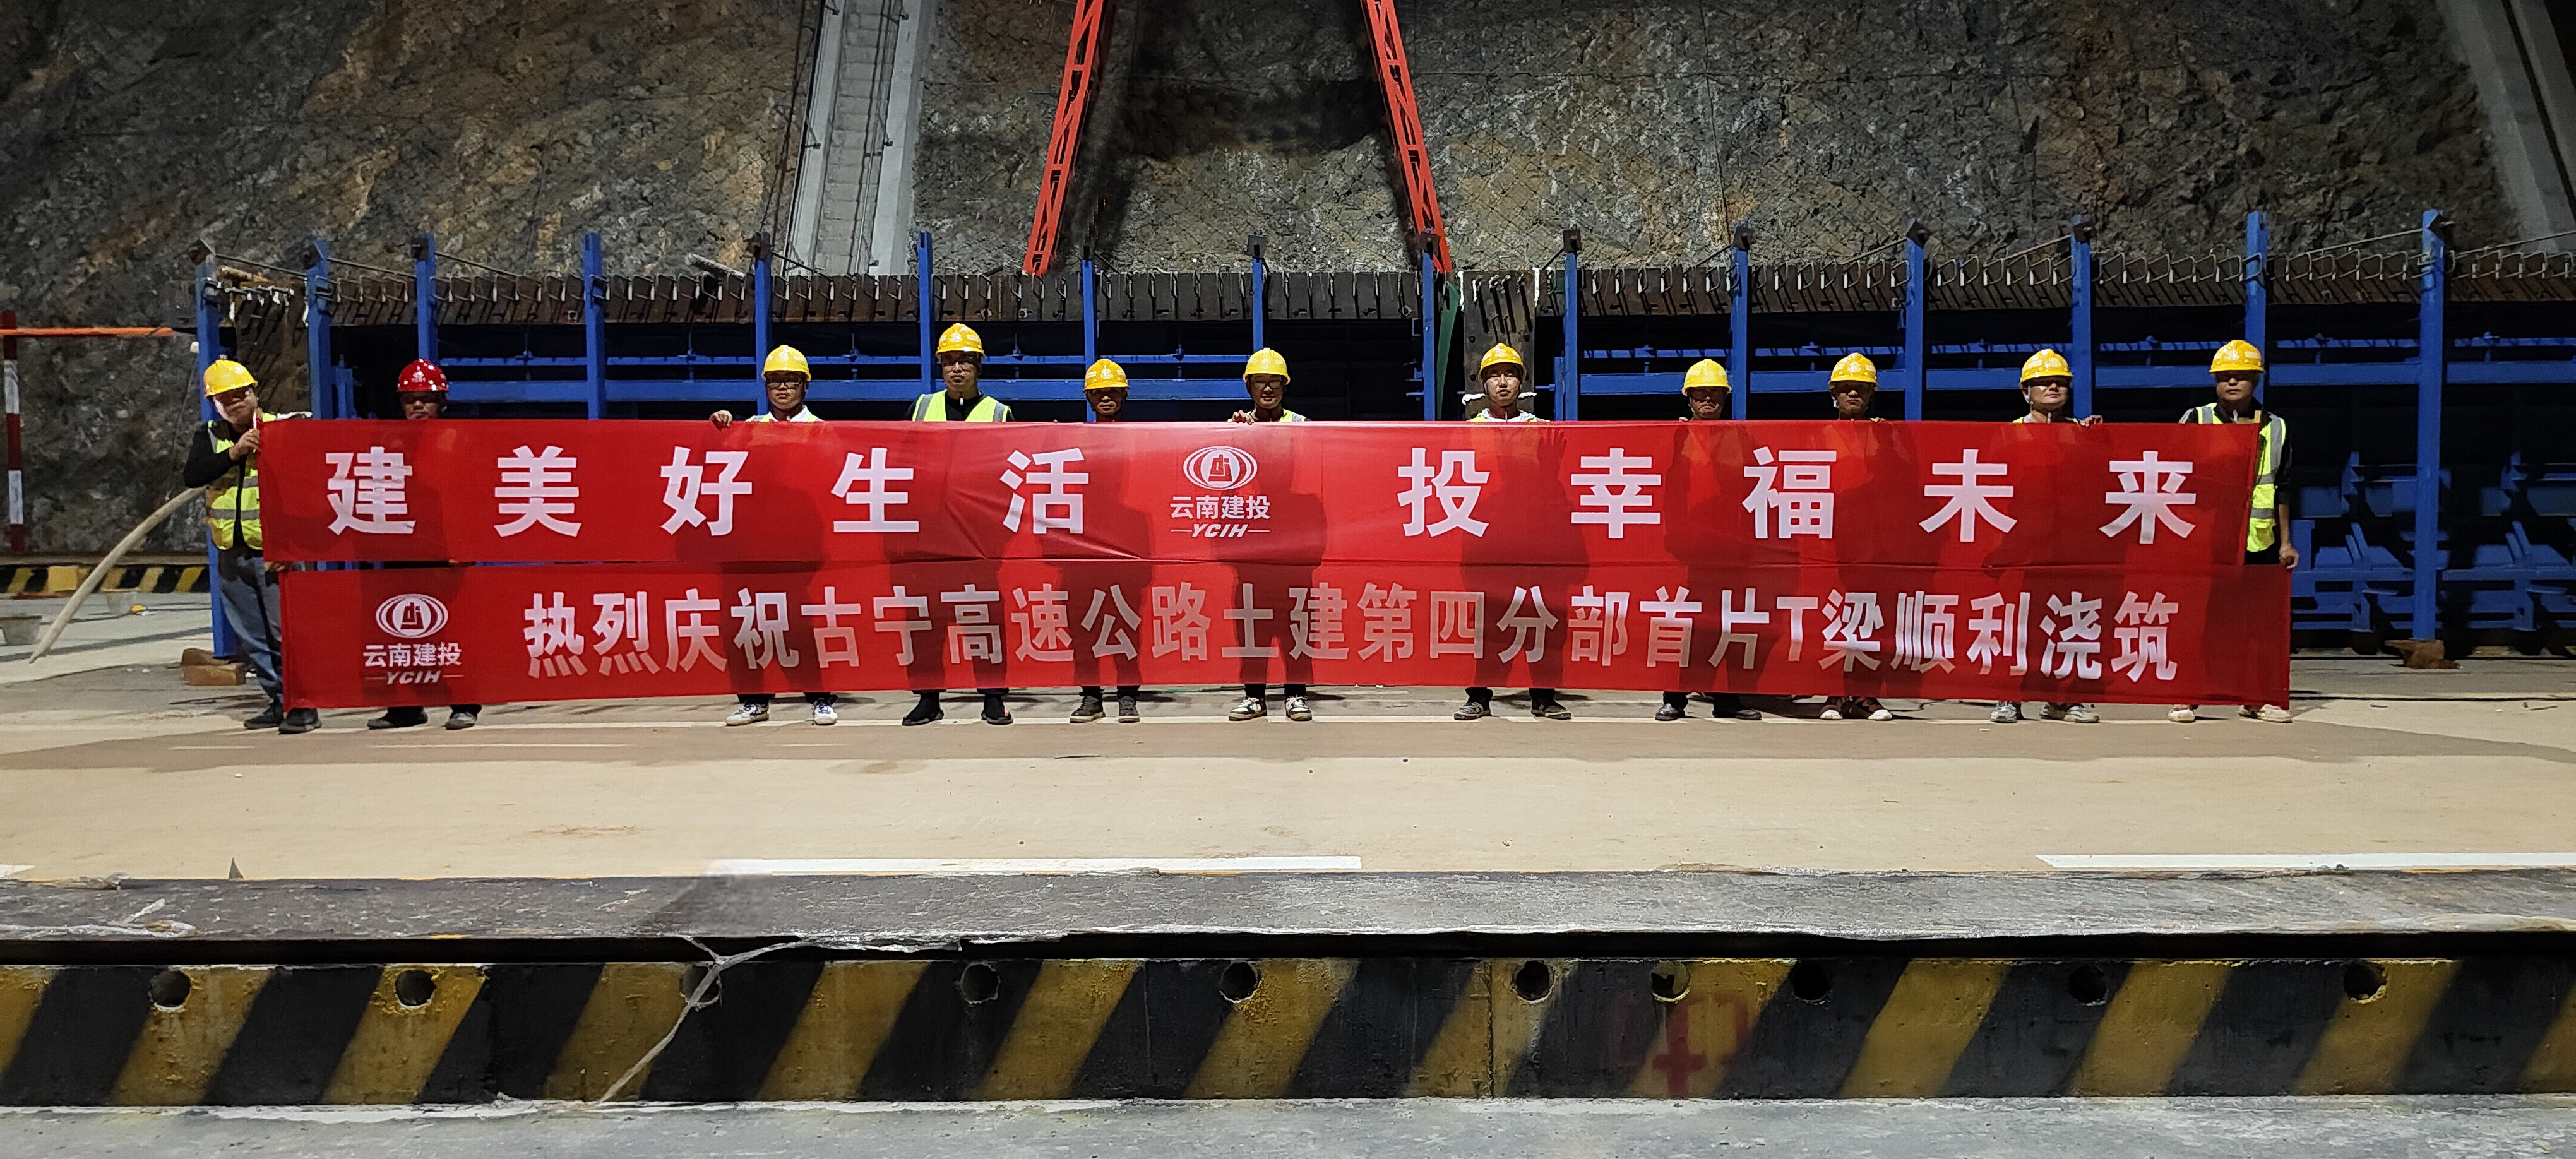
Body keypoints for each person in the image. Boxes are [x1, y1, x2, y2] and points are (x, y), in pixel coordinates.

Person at [708, 345, 840, 725]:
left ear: (805, 386)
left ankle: (819, 698)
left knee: (799, 623)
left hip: (800, 547)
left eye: (791, 381)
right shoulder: (749, 429)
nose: (783, 388)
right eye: (775, 381)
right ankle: (754, 700)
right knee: (745, 622)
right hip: (753, 545)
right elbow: (717, 463)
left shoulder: (823, 431)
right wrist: (720, 425)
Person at [182, 359, 316, 734]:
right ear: (215, 404)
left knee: (286, 632)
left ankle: (304, 705)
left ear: (255, 393)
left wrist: (289, 549)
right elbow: (193, 475)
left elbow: (304, 493)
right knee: (253, 635)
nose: (236, 402)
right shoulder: (210, 436)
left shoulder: (281, 431)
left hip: (274, 552)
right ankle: (279, 700)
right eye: (226, 398)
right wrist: (234, 453)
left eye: (241, 394)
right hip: (231, 549)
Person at [2174, 338, 2296, 725]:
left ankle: (2255, 698)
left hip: (2259, 541)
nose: (2232, 382)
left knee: (2257, 624)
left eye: (2241, 376)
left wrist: (2287, 542)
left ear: (2256, 381)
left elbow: (2283, 486)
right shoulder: (2197, 419)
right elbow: (2174, 474)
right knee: (2200, 619)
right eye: (2225, 376)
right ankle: (2187, 696)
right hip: (2207, 540)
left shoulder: (2276, 427)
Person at [366, 359, 484, 731]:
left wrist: (464, 547)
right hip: (402, 547)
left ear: (441, 403)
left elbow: (472, 498)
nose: (417, 405)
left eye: (426, 398)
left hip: (445, 550)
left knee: (452, 629)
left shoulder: (458, 440)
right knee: (399, 629)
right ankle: (405, 707)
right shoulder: (388, 441)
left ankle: (464, 704)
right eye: (410, 399)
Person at [908, 324, 1014, 725]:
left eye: (965, 361)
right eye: (950, 361)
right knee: (928, 618)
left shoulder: (1000, 413)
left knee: (984, 617)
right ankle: (928, 698)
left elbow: (1009, 474)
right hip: (931, 534)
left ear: (978, 367)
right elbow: (901, 464)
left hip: (978, 537)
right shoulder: (920, 408)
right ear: (940, 366)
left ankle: (993, 696)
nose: (957, 368)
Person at [1455, 343, 1568, 721]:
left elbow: (1557, 492)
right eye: (1494, 375)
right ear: (1483, 383)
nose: (1502, 382)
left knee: (1542, 618)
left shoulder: (1545, 431)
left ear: (1522, 382)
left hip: (1534, 543)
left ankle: (1543, 696)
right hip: (1487, 543)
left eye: (1510, 375)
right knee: (1488, 622)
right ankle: (1479, 696)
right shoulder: (1467, 432)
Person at [1991, 348, 2102, 726]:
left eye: (2060, 382)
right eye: (2043, 382)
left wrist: (2100, 440)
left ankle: (2062, 700)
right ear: (2026, 392)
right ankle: (2010, 697)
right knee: (2020, 625)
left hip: (2069, 546)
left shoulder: (2082, 433)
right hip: (2023, 547)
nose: (2053, 387)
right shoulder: (2009, 435)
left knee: (2069, 621)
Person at [1661, 358, 1761, 723]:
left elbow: (1752, 490)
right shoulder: (1678, 436)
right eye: (1701, 393)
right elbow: (1670, 490)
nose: (1708, 399)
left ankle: (1728, 699)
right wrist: (1674, 536)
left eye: (1715, 393)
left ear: (1725, 397)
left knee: (1730, 622)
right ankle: (1675, 698)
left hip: (1732, 547)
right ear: (1688, 397)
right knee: (1690, 624)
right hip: (1694, 548)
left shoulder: (1740, 437)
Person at [1226, 347, 1311, 721]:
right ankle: (1254, 696)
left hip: (1293, 542)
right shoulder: (1237, 427)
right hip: (1253, 538)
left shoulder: (1303, 426)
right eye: (1259, 382)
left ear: (1284, 386)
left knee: (1296, 623)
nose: (1267, 389)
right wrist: (1236, 434)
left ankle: (1296, 694)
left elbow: (1320, 468)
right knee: (1253, 623)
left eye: (1274, 382)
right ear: (1248, 387)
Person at [1818, 353, 1894, 722]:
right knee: (1832, 615)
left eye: (1860, 388)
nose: (1853, 394)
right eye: (1846, 388)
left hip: (1872, 544)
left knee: (1868, 616)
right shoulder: (1818, 437)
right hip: (1830, 543)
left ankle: (1864, 695)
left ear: (1871, 394)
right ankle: (1834, 693)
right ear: (1833, 393)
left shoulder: (1886, 436)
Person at [1074, 357, 1142, 724]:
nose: (1106, 397)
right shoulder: (1073, 442)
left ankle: (1127, 696)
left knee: (1126, 623)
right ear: (1088, 397)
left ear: (1124, 396)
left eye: (1113, 391)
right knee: (1085, 626)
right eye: (1098, 392)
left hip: (1126, 546)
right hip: (1083, 547)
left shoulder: (1142, 440)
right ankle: (1091, 696)